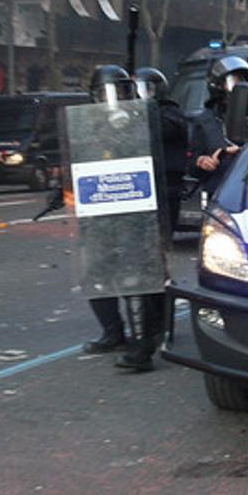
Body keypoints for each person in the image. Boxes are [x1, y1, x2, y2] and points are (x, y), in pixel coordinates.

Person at [80, 65, 138, 356]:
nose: (111, 99)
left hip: (131, 209)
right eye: (105, 93)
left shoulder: (139, 120)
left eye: (118, 92)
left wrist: (124, 126)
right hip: (98, 208)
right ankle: (112, 332)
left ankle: (141, 338)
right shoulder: (86, 124)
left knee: (132, 273)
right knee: (97, 272)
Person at [134, 66, 188, 233]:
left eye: (145, 89)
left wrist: (145, 114)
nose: (141, 94)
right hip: (142, 176)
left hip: (167, 178)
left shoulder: (170, 111)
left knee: (163, 228)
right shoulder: (134, 112)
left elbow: (167, 129)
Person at [190, 55, 248, 192]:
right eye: (232, 82)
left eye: (242, 81)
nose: (239, 87)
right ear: (217, 86)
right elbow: (191, 164)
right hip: (218, 190)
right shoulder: (205, 120)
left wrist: (244, 151)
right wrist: (202, 161)